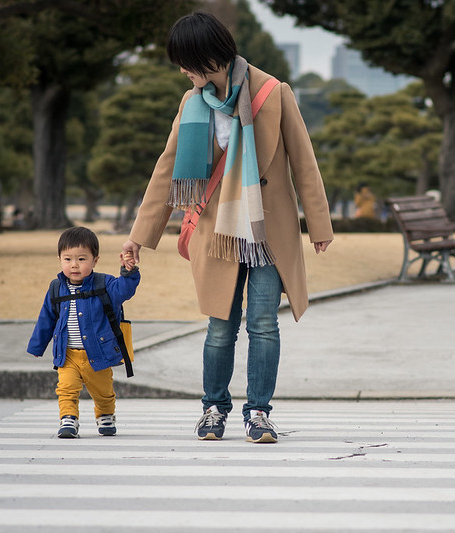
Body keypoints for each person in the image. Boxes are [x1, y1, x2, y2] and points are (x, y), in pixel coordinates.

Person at [121, 12, 333, 444]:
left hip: (266, 231)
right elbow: (167, 171)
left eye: (186, 61)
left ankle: (258, 413)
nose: (182, 71)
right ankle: (213, 409)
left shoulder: (274, 92)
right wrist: (139, 235)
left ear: (208, 56)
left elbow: (304, 161)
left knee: (263, 324)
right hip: (216, 230)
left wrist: (319, 224)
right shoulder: (192, 102)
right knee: (220, 326)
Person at [28, 227, 140, 438]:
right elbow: (47, 317)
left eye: (81, 258)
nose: (74, 265)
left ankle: (105, 414)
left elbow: (125, 289)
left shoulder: (105, 284)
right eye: (68, 258)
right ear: (60, 259)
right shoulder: (56, 288)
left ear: (95, 260)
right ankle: (68, 419)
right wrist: (37, 345)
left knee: (104, 392)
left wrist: (128, 271)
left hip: (98, 353)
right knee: (66, 388)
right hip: (68, 353)